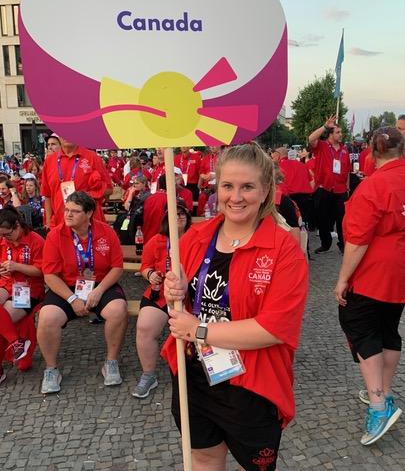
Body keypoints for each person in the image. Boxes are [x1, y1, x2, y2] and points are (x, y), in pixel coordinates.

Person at [162, 142, 308, 471]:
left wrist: (197, 330)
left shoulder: (284, 250)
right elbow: (179, 303)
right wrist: (177, 289)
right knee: (202, 457)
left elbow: (273, 328)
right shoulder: (195, 237)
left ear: (266, 189)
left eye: (247, 187)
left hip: (252, 382)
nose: (236, 196)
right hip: (196, 373)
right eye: (227, 186)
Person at [334, 127, 405, 445]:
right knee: (388, 328)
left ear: (371, 153)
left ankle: (379, 404)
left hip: (376, 271)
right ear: (404, 152)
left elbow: (357, 240)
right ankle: (383, 392)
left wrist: (343, 279)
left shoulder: (372, 187)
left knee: (359, 325)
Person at [38, 191, 128, 394]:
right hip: (66, 287)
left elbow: (117, 267)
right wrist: (71, 299)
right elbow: (50, 275)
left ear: (89, 213)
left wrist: (99, 291)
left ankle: (111, 362)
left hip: (101, 284)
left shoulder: (107, 232)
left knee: (118, 310)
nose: (68, 214)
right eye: (66, 210)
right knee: (47, 317)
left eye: (75, 211)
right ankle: (51, 369)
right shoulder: (55, 235)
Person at [0, 207, 45, 391]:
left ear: (17, 226)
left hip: (29, 288)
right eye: (0, 236)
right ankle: (16, 342)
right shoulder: (1, 240)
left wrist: (17, 266)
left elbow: (41, 272)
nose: (4, 239)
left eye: (7, 235)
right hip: (7, 282)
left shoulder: (35, 241)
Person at [132, 203, 192, 398]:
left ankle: (197, 375)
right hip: (160, 294)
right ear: (167, 219)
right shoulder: (157, 241)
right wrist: (150, 275)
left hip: (191, 295)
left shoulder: (198, 239)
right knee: (144, 327)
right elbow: (145, 266)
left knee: (196, 330)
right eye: (175, 214)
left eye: (183, 213)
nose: (179, 217)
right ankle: (149, 374)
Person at [40, 137, 112, 229]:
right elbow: (47, 195)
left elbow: (109, 189)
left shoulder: (92, 158)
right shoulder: (50, 161)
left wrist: (85, 195)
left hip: (88, 224)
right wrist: (49, 222)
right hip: (60, 225)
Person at [309, 114, 351, 253]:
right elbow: (311, 138)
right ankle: (325, 243)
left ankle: (343, 244)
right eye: (338, 132)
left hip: (340, 191)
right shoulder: (322, 146)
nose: (341, 134)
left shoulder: (345, 150)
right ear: (330, 134)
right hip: (324, 188)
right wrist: (325, 126)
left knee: (342, 220)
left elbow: (347, 170)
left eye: (341, 132)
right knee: (322, 219)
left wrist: (347, 187)